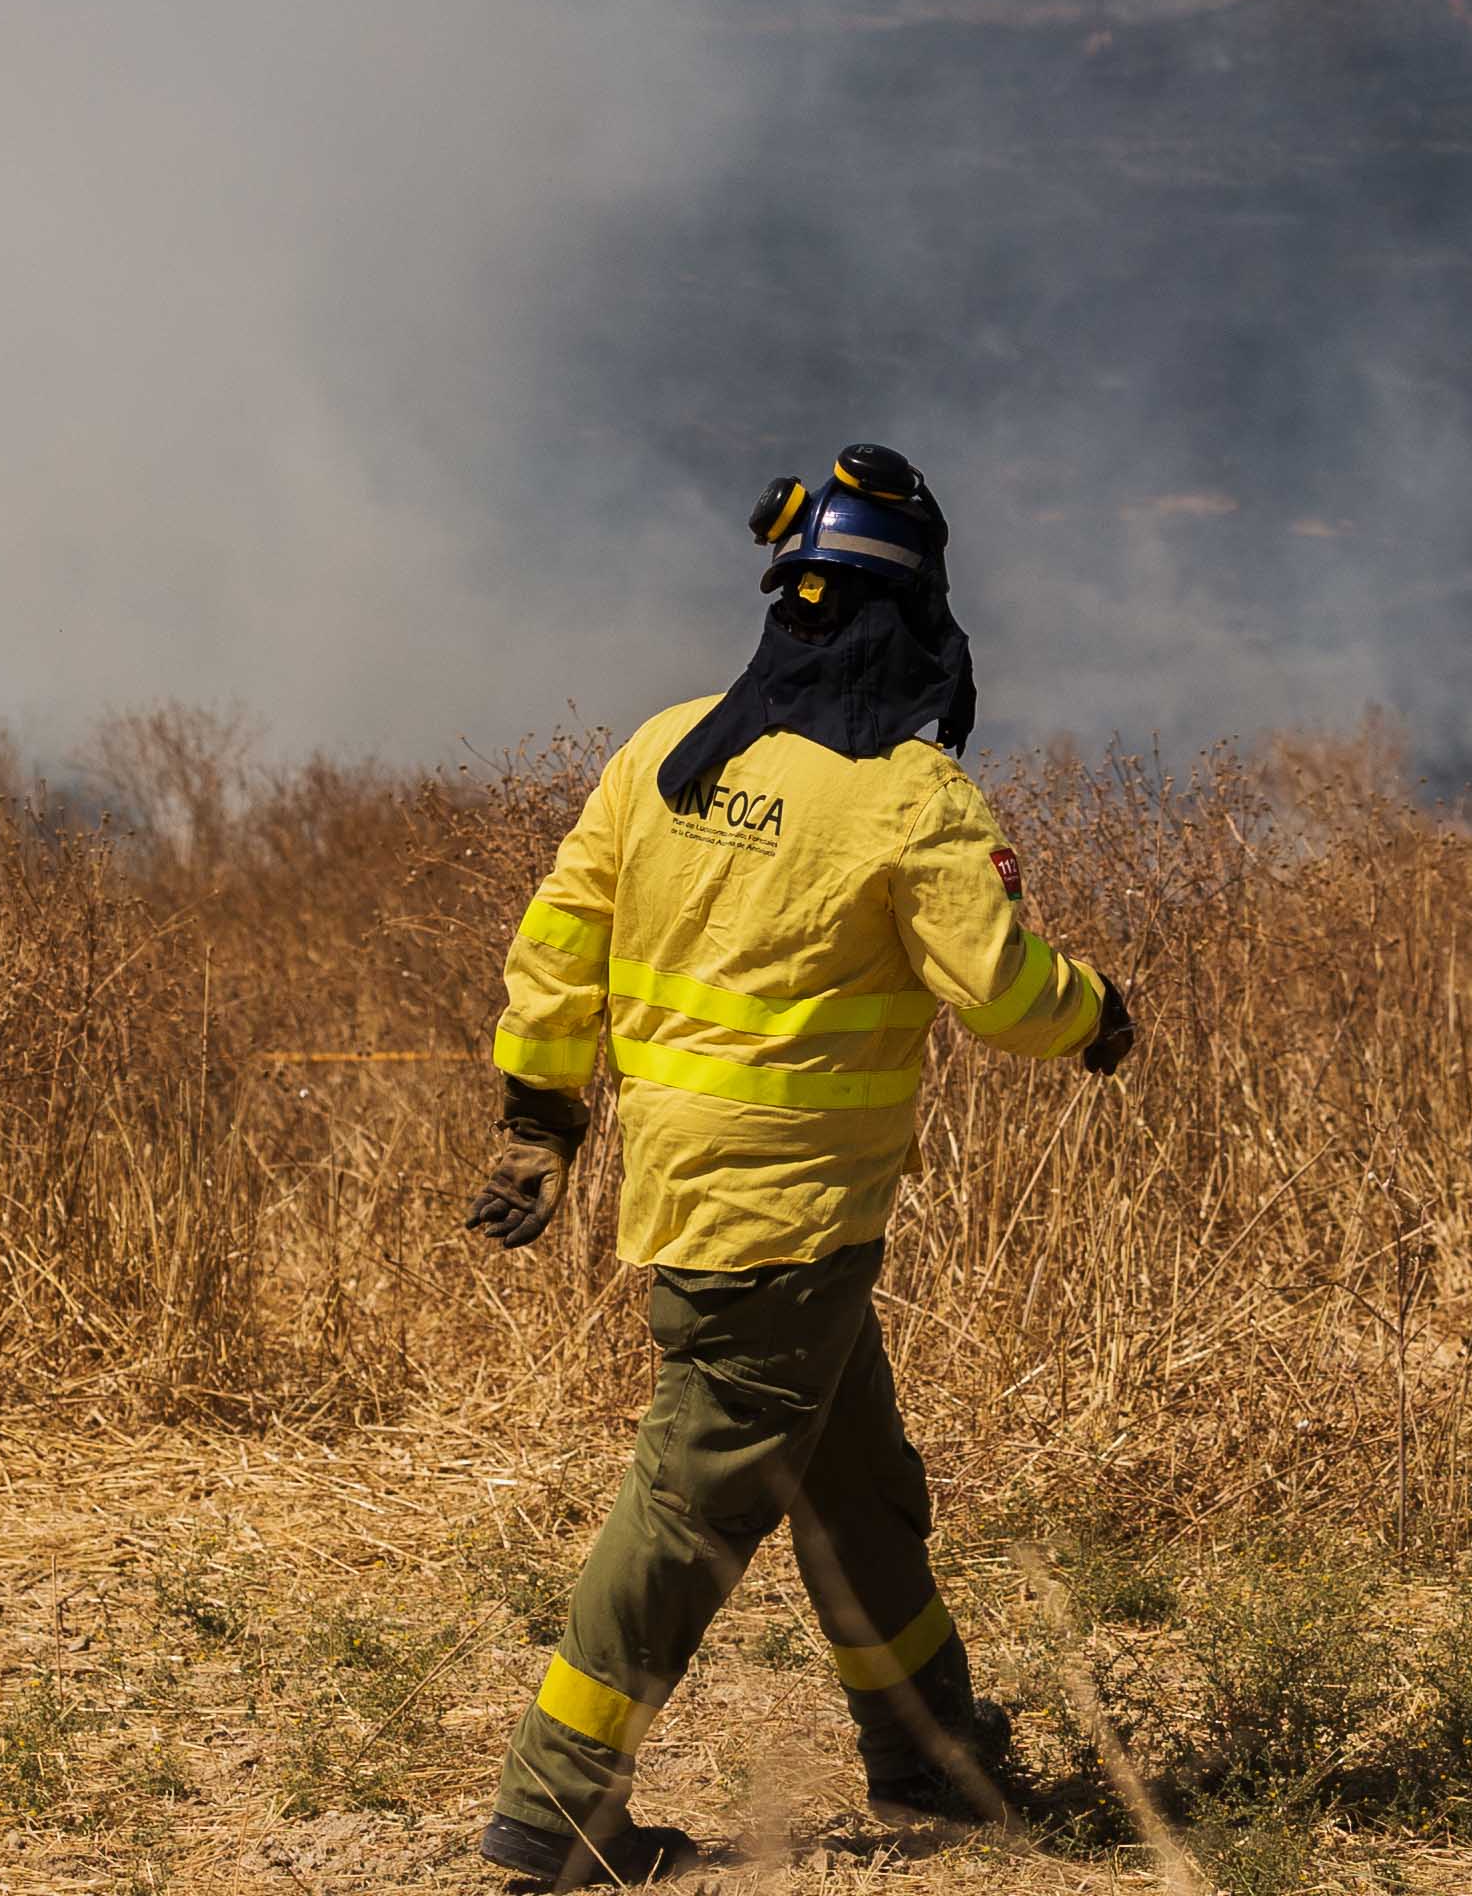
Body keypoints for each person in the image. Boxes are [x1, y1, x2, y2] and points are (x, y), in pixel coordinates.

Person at [465, 444, 1141, 1886]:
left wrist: (540, 1115)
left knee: (857, 1490)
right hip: (789, 1216)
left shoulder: (661, 752)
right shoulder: (909, 796)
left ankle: (934, 1758)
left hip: (706, 1195)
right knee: (690, 1508)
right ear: (920, 625)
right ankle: (555, 1806)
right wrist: (1096, 1011)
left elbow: (557, 938)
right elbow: (1005, 992)